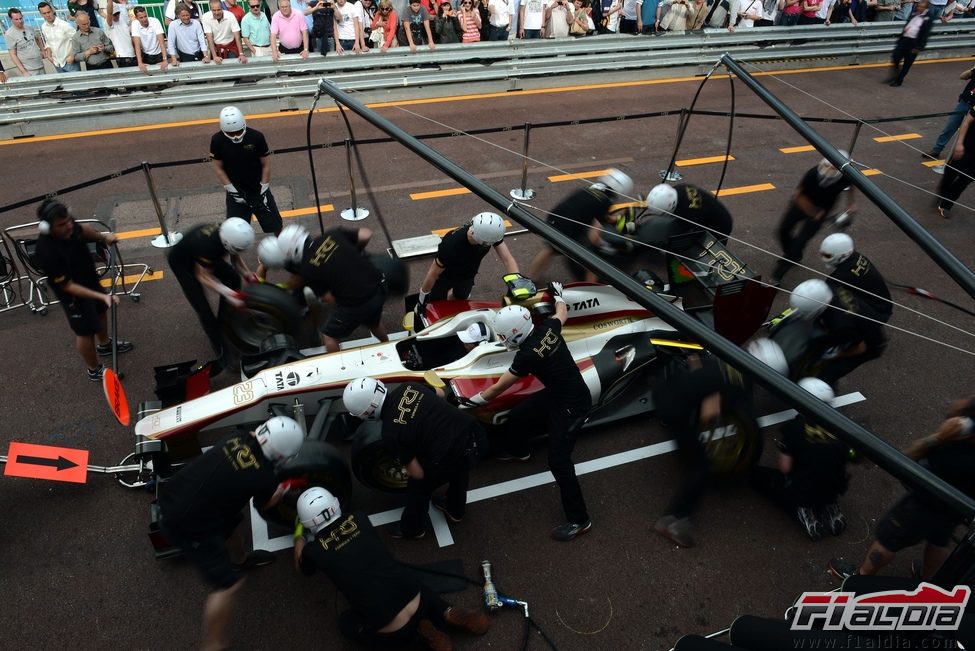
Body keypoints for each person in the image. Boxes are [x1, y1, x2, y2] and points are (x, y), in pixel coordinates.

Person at [158, 416, 304, 651]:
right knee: (227, 587)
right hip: (186, 521)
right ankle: (214, 645)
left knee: (234, 521)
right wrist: (280, 490)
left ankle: (241, 560)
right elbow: (265, 505)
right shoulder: (264, 476)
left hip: (177, 491)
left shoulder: (237, 437)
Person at [463, 284, 592, 541]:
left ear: (514, 333)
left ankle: (580, 520)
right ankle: (520, 451)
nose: (500, 340)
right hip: (560, 394)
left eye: (502, 335)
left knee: (559, 462)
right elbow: (561, 313)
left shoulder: (527, 356)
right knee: (519, 415)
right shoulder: (547, 328)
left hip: (571, 406)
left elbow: (498, 388)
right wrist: (559, 296)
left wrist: (468, 402)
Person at [294, 487, 490, 649]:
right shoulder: (359, 518)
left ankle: (420, 638)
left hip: (392, 627)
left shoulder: (314, 551)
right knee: (403, 578)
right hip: (417, 597)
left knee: (346, 623)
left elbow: (303, 568)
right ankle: (445, 611)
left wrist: (299, 536)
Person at [653, 339, 787, 548]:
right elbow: (709, 413)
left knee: (687, 431)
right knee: (700, 467)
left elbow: (695, 361)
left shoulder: (729, 355)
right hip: (674, 409)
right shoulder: (742, 384)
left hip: (665, 387)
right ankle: (673, 519)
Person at [829, 395, 975, 581]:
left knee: (888, 539)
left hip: (923, 505)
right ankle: (928, 587)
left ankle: (860, 579)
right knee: (939, 540)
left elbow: (908, 458)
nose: (957, 404)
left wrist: (940, 437)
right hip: (955, 508)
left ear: (967, 424)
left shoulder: (956, 452)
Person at [343, 377, 486, 539]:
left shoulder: (390, 433)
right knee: (460, 469)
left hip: (456, 453)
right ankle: (455, 510)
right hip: (476, 434)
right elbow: (439, 392)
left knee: (419, 486)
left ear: (367, 412)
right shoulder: (408, 386)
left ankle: (412, 529)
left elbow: (417, 473)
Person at [32, 199, 134, 382]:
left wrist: (103, 237)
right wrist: (102, 295)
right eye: (62, 225)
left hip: (89, 279)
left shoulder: (70, 227)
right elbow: (68, 286)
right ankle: (94, 369)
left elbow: (84, 228)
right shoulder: (47, 252)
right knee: (85, 332)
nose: (69, 226)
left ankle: (105, 344)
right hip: (72, 295)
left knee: (101, 311)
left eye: (69, 220)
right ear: (47, 228)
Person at [750, 377, 850, 541]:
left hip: (805, 489)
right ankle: (830, 506)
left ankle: (805, 510)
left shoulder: (795, 428)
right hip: (835, 486)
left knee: (759, 477)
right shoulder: (842, 426)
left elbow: (785, 468)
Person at [274, 223, 389, 352]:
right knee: (373, 322)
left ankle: (340, 369)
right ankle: (388, 346)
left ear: (293, 252)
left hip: (357, 302)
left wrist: (344, 313)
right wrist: (356, 251)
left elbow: (330, 299)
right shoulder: (332, 234)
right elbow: (366, 234)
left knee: (328, 336)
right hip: (379, 287)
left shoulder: (307, 269)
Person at [166, 219, 256, 373]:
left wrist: (247, 274)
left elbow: (234, 253)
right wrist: (231, 295)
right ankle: (223, 352)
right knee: (204, 309)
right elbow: (202, 277)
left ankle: (224, 320)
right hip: (183, 263)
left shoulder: (228, 233)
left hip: (203, 255)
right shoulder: (209, 246)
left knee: (233, 278)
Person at [528, 168, 635, 282]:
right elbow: (593, 237)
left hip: (554, 218)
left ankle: (531, 278)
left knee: (549, 248)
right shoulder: (605, 202)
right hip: (567, 229)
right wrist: (607, 247)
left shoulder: (587, 190)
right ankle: (591, 289)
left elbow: (596, 215)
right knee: (593, 260)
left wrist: (616, 219)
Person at [768, 153, 856, 287]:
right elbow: (798, 195)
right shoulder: (812, 174)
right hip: (802, 205)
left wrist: (851, 204)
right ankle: (792, 255)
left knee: (800, 242)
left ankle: (777, 275)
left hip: (822, 211)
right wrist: (814, 212)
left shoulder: (845, 176)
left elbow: (851, 185)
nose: (827, 172)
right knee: (782, 231)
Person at [415, 212, 519, 316]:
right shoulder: (450, 246)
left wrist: (517, 283)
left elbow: (507, 259)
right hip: (444, 277)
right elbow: (432, 275)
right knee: (436, 305)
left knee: (460, 299)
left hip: (468, 275)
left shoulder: (488, 231)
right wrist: (421, 301)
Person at [789, 278, 887, 386]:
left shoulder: (842, 324)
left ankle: (824, 392)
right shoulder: (828, 288)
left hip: (868, 345)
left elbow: (860, 348)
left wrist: (836, 355)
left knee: (827, 374)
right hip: (851, 324)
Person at [210, 106, 284, 236]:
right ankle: (235, 257)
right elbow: (217, 167)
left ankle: (282, 250)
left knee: (276, 224)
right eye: (231, 133)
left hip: (259, 190)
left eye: (238, 132)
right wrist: (230, 189)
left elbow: (266, 163)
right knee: (234, 232)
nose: (236, 136)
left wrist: (264, 186)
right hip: (236, 193)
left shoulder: (256, 137)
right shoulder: (217, 140)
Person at [819, 233, 893, 323]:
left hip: (878, 313)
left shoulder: (839, 276)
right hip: (884, 305)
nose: (823, 258)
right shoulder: (856, 256)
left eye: (827, 256)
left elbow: (826, 294)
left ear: (842, 255)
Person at [641, 182, 734, 250]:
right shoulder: (678, 189)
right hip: (713, 213)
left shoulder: (688, 214)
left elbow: (688, 231)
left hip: (720, 226)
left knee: (707, 252)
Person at [926, 65, 975, 160]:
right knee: (950, 126)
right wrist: (971, 70)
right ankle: (936, 149)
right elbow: (962, 76)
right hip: (965, 103)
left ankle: (960, 154)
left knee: (968, 133)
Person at [937, 107, 975, 218]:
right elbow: (966, 122)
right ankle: (942, 193)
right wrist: (959, 143)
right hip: (967, 147)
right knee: (951, 173)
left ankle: (947, 204)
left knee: (965, 180)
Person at [886, 0, 931, 87]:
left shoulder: (928, 18)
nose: (919, 8)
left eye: (921, 7)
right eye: (918, 6)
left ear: (925, 8)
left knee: (907, 64)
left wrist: (919, 47)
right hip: (904, 40)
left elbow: (925, 34)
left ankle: (899, 80)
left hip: (914, 44)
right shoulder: (914, 13)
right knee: (895, 57)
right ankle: (896, 74)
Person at [39, 2, 80, 73]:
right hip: (56, 63)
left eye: (48, 12)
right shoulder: (44, 27)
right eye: (44, 13)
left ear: (52, 11)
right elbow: (48, 42)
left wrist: (72, 56)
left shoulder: (64, 25)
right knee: (63, 84)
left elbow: (77, 40)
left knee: (77, 84)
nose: (47, 15)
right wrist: (49, 56)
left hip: (70, 63)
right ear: (41, 14)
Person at [5, 8, 47, 77]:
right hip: (29, 70)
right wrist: (23, 71)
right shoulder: (9, 34)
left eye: (21, 18)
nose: (20, 21)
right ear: (11, 19)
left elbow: (38, 38)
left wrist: (42, 50)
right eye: (16, 19)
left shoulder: (29, 28)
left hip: (40, 64)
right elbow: (12, 54)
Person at [131, 6, 169, 73]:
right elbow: (137, 45)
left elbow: (162, 42)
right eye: (141, 17)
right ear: (136, 18)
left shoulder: (155, 21)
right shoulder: (134, 24)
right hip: (146, 55)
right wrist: (140, 63)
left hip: (159, 54)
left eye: (145, 16)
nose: (144, 19)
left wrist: (165, 59)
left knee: (162, 75)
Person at [104, 0, 137, 67]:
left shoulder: (122, 19)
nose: (117, 16)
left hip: (133, 54)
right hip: (122, 57)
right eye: (114, 14)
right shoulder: (109, 24)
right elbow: (109, 13)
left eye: (118, 13)